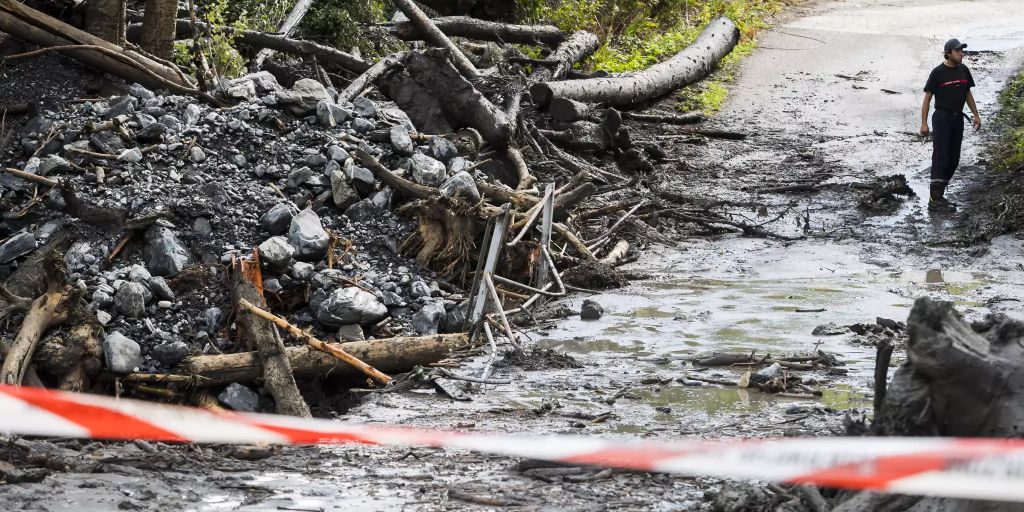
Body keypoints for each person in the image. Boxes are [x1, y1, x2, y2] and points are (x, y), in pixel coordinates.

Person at [920, 38, 982, 212]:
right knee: (941, 157)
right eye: (958, 51)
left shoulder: (964, 71)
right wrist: (924, 123)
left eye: (962, 50)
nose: (961, 53)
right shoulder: (938, 73)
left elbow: (967, 93)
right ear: (948, 53)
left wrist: (976, 115)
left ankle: (939, 194)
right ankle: (935, 199)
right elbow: (927, 98)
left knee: (954, 159)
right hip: (942, 118)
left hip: (957, 119)